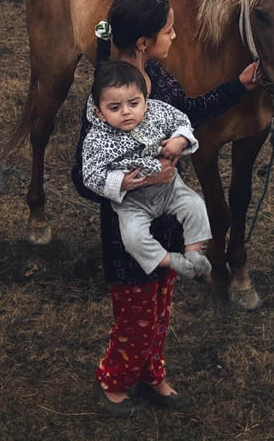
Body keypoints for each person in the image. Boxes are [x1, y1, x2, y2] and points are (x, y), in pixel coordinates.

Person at [71, 0, 259, 416]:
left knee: (158, 310)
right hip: (129, 232)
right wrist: (137, 182)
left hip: (169, 219)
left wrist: (239, 86)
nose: (174, 36)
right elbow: (82, 178)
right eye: (168, 30)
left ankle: (153, 375)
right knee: (133, 317)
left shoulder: (158, 76)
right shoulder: (111, 94)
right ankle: (113, 384)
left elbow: (189, 111)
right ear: (143, 42)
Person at [81, 60, 212, 280]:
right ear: (99, 112)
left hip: (170, 188)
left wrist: (180, 140)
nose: (126, 113)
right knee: (133, 237)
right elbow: (90, 174)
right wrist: (119, 182)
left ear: (146, 102)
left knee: (196, 206)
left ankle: (193, 251)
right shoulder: (97, 140)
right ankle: (169, 260)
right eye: (115, 108)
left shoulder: (157, 113)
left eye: (134, 103)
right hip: (131, 202)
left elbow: (182, 121)